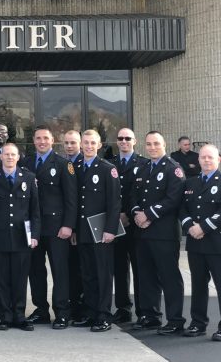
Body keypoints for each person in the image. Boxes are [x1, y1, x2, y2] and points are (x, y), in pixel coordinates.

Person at [130, 131, 186, 335]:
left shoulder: (173, 169)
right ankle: (151, 316)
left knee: (169, 277)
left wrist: (148, 215)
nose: (152, 147)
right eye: (149, 144)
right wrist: (137, 213)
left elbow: (173, 199)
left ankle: (175, 320)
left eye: (156, 143)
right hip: (143, 233)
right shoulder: (143, 168)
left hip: (163, 233)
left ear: (164, 144)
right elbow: (134, 195)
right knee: (146, 276)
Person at [23, 126, 77, 329]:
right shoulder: (26, 163)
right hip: (34, 228)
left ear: (52, 140)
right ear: (34, 141)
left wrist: (68, 225)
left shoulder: (63, 164)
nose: (42, 141)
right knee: (35, 271)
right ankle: (41, 310)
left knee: (60, 271)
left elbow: (71, 199)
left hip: (57, 228)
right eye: (38, 138)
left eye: (46, 138)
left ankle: (62, 312)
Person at [0, 143, 39, 330]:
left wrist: (35, 235)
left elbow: (35, 211)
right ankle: (5, 317)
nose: (9, 157)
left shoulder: (29, 178)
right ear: (0, 156)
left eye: (12, 154)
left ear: (18, 157)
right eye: (6, 154)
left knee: (20, 278)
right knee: (2, 279)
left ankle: (19, 316)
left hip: (22, 237)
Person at [70, 129, 121, 332]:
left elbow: (115, 203)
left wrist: (110, 230)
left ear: (99, 145)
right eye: (86, 142)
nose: (89, 146)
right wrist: (74, 229)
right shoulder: (75, 167)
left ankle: (103, 315)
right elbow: (74, 202)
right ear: (80, 145)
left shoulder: (107, 168)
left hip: (102, 232)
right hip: (83, 231)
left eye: (93, 143)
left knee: (103, 275)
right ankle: (90, 313)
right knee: (87, 274)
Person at [180, 144, 221, 341]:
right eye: (203, 157)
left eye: (210, 157)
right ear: (198, 160)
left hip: (216, 243)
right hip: (195, 243)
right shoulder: (190, 183)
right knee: (198, 285)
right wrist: (189, 226)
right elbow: (182, 208)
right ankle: (198, 323)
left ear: (218, 160)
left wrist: (203, 227)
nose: (206, 160)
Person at [110, 127, 148, 323]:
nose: (124, 141)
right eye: (120, 138)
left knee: (139, 268)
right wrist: (117, 216)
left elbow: (144, 195)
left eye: (127, 138)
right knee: (119, 268)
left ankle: (143, 310)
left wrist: (130, 214)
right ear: (116, 142)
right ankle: (123, 308)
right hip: (117, 223)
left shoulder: (143, 164)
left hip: (136, 224)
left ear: (134, 141)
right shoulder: (110, 164)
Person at [64, 129, 85, 318]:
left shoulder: (82, 164)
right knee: (70, 269)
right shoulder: (64, 163)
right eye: (67, 143)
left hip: (80, 228)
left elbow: (78, 201)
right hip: (67, 227)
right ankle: (73, 305)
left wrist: (74, 228)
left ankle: (80, 308)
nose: (70, 146)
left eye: (73, 142)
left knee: (81, 270)